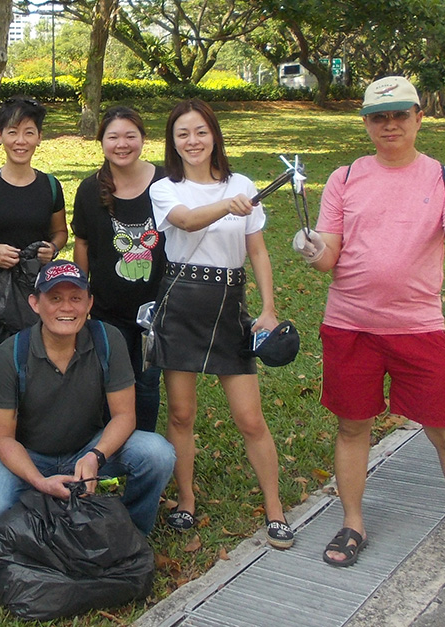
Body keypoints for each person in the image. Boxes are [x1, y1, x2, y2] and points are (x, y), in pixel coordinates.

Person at [293, 76, 445, 584]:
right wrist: (310, 248)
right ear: (366, 123)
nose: (389, 125)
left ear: (418, 117)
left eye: (399, 115)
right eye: (378, 116)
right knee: (353, 427)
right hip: (349, 326)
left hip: (418, 329)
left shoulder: (444, 178)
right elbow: (329, 256)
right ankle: (352, 524)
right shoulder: (345, 177)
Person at [147, 99, 293, 549]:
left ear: (214, 135)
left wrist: (267, 309)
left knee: (250, 418)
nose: (192, 141)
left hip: (230, 303)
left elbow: (258, 252)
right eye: (182, 135)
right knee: (181, 413)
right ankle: (186, 501)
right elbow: (187, 222)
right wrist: (228, 206)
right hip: (181, 300)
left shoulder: (242, 184)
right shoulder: (165, 188)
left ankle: (275, 509)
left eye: (200, 132)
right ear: (173, 143)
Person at [0, 260, 175, 535]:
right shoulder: (9, 355)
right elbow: (3, 438)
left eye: (75, 298)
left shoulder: (107, 339)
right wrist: (39, 482)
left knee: (157, 453)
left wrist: (95, 457)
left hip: (87, 447)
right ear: (35, 303)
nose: (66, 308)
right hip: (30, 455)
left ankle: (129, 531)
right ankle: (45, 529)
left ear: (89, 304)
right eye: (54, 298)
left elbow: (125, 415)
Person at [0, 95, 67, 458]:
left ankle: (30, 447)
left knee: (35, 368)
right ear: (0, 136)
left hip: (36, 293)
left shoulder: (50, 186)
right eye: (13, 132)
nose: (21, 140)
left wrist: (53, 249)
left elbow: (60, 233)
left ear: (39, 138)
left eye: (29, 132)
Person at [71, 105, 167, 432]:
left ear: (143, 139)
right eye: (113, 137)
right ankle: (110, 456)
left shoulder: (166, 183)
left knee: (147, 383)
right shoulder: (89, 189)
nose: (122, 144)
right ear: (102, 142)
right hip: (108, 309)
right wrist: (81, 295)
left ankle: (145, 451)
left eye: (130, 136)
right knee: (111, 383)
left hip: (157, 309)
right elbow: (82, 244)